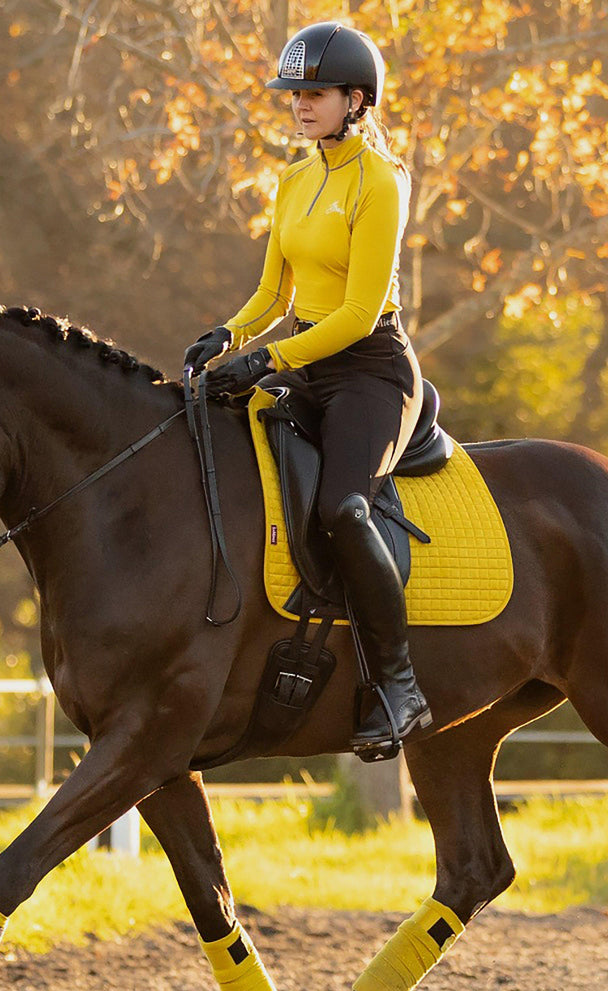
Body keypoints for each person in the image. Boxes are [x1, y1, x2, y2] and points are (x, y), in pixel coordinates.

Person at [184, 20, 432, 759]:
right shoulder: (294, 179)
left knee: (344, 509)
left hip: (371, 369)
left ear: (357, 100)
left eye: (315, 94)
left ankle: (398, 685)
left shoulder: (380, 181)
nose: (299, 105)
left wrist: (266, 360)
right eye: (294, 94)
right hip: (307, 362)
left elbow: (357, 313)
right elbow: (273, 293)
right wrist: (227, 336)